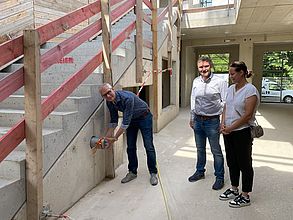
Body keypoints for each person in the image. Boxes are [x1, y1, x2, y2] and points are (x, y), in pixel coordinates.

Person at [99, 83, 158, 186]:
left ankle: (153, 173)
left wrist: (114, 138)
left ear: (113, 89)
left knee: (148, 146)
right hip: (132, 120)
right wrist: (108, 137)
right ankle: (132, 172)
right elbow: (113, 121)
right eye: (105, 95)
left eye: (109, 92)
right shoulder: (110, 102)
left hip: (144, 117)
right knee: (130, 147)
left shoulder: (127, 98)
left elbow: (125, 123)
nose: (108, 95)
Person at [219, 61, 260, 208]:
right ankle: (234, 188)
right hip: (228, 131)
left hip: (242, 132)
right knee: (232, 161)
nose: (230, 77)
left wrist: (231, 128)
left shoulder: (250, 90)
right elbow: (225, 107)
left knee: (245, 163)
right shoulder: (230, 89)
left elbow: (248, 115)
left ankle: (245, 195)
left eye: (232, 74)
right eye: (230, 74)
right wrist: (223, 124)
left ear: (241, 73)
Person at [188, 56, 227, 190]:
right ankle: (200, 172)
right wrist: (192, 117)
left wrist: (223, 122)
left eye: (206, 66)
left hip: (212, 121)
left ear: (211, 66)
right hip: (198, 120)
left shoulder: (220, 82)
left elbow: (225, 102)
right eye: (201, 67)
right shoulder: (196, 81)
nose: (203, 69)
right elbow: (193, 99)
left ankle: (220, 177)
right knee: (200, 149)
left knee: (216, 151)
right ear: (198, 68)